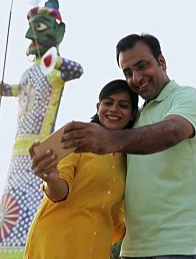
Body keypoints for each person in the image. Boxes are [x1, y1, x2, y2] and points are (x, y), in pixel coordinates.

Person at [60, 33, 196, 259]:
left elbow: (172, 131)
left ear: (161, 62)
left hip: (180, 249)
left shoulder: (187, 98)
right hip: (132, 251)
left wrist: (108, 139)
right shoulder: (136, 117)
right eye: (128, 72)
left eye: (142, 65)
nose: (136, 77)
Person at [0, 0, 84, 258]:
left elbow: (77, 69)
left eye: (40, 28)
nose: (30, 35)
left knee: (35, 201)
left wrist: (55, 58)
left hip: (40, 149)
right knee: (10, 207)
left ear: (58, 32)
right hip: (17, 152)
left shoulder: (54, 69)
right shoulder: (29, 74)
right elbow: (12, 90)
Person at [23, 79, 138, 259]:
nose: (114, 109)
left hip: (95, 248)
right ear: (98, 107)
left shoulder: (128, 159)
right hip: (56, 243)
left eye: (123, 105)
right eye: (108, 103)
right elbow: (59, 193)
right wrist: (52, 179)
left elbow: (116, 220)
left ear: (132, 114)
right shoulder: (76, 140)